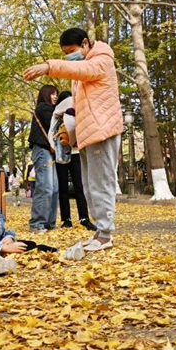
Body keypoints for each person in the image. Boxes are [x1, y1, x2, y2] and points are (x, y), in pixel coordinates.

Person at [23, 27, 122, 252]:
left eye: (71, 51)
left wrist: (48, 66)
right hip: (89, 133)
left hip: (102, 130)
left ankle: (105, 234)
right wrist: (69, 132)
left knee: (100, 183)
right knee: (89, 186)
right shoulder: (82, 73)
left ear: (86, 43)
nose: (70, 56)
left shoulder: (102, 59)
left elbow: (84, 69)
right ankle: (100, 233)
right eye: (65, 53)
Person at [51, 90, 96, 230]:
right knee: (70, 187)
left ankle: (78, 219)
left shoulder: (75, 113)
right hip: (64, 153)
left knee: (74, 187)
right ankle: (73, 219)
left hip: (71, 153)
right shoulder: (57, 116)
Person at [27, 84, 59, 232]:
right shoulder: (43, 108)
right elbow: (54, 124)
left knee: (53, 189)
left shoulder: (51, 110)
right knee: (44, 187)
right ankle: (37, 223)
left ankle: (49, 223)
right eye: (52, 94)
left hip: (49, 152)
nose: (55, 96)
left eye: (56, 94)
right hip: (42, 150)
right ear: (46, 95)